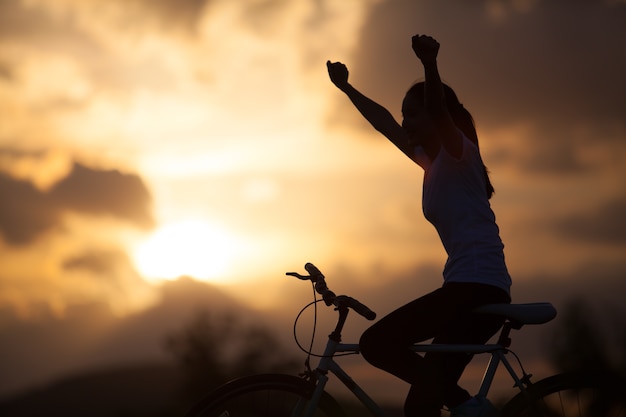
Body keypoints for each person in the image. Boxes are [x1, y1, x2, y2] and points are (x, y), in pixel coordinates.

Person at [326, 34, 512, 417]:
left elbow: (439, 111)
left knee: (376, 344)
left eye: (412, 114)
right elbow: (383, 123)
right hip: (468, 287)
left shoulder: (458, 152)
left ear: (435, 114)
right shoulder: (432, 163)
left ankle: (462, 402)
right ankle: (463, 404)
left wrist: (429, 64)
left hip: (477, 288)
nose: (405, 122)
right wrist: (347, 89)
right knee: (420, 406)